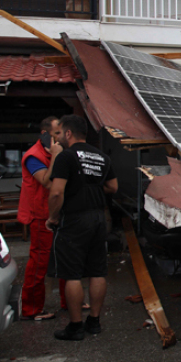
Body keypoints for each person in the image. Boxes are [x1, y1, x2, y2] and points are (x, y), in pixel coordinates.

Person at [46, 115, 118, 341]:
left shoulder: (66, 157)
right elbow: (113, 187)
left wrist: (53, 217)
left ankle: (76, 327)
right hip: (98, 218)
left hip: (75, 219)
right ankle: (94, 322)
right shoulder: (101, 157)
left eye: (60, 134)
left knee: (72, 274)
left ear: (68, 133)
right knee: (97, 271)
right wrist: (91, 189)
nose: (58, 138)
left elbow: (56, 192)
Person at [16, 116, 65, 320]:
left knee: (65, 256)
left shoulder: (56, 151)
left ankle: (69, 300)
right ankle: (32, 309)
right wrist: (56, 156)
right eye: (56, 133)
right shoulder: (33, 156)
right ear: (45, 135)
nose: (60, 137)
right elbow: (46, 181)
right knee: (39, 262)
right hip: (39, 215)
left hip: (58, 212)